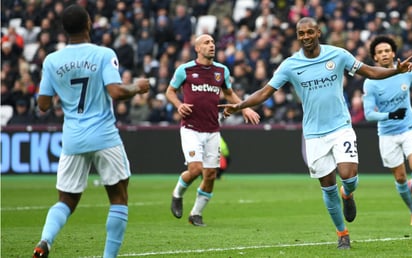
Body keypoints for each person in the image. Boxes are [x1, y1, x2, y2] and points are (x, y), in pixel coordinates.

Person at [219, 17, 412, 249]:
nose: (306, 37)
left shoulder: (338, 55)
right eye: (301, 34)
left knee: (349, 176)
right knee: (328, 185)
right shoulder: (290, 65)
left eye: (310, 32)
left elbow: (370, 71)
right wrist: (240, 106)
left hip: (341, 127)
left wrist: (394, 71)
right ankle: (342, 233)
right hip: (314, 134)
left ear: (318, 32)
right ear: (297, 36)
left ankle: (348, 194)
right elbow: (265, 92)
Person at [33, 5, 150, 258]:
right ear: (88, 24)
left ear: (63, 29)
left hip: (73, 138)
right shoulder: (103, 53)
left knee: (66, 200)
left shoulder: (51, 60)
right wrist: (137, 87)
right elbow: (117, 92)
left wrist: (63, 92)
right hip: (104, 136)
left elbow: (43, 105)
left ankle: (45, 240)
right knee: (118, 198)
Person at [166, 34, 260, 227]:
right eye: (206, 43)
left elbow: (229, 94)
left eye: (213, 43)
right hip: (191, 128)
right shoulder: (185, 70)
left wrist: (245, 107)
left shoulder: (221, 71)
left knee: (210, 175)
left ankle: (196, 214)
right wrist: (178, 105)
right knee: (195, 169)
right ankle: (177, 194)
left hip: (212, 130)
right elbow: (170, 91)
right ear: (197, 48)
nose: (211, 46)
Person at [362, 35, 412, 226]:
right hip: (387, 134)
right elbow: (368, 114)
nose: (384, 54)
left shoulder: (405, 71)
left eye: (386, 51)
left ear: (393, 53)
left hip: (408, 128)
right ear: (375, 58)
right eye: (379, 52)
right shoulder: (371, 81)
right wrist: (389, 115)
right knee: (399, 177)